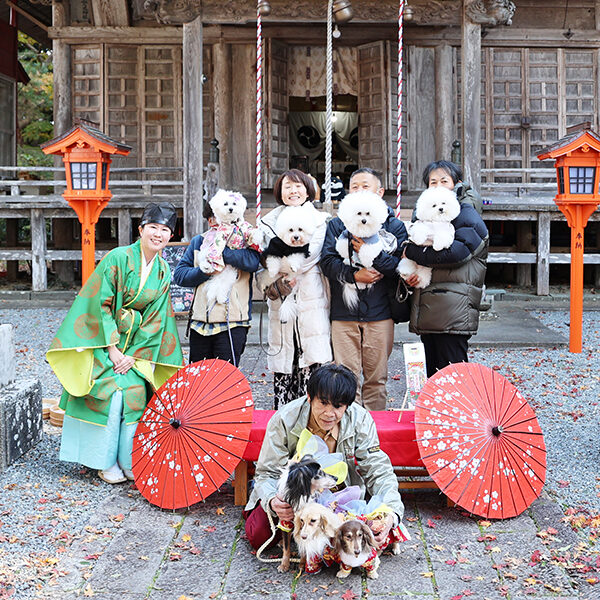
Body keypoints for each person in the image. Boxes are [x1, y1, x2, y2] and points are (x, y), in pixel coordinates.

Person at [47, 202, 184, 484]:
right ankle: (103, 461)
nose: (158, 234)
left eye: (165, 230)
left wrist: (133, 355)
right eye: (153, 228)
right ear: (141, 229)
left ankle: (130, 460)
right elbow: (100, 303)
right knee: (114, 393)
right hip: (101, 344)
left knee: (136, 391)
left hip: (134, 350)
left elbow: (157, 319)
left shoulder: (162, 272)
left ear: (170, 236)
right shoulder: (118, 258)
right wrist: (112, 348)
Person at [243, 363, 405, 551]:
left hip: (340, 495)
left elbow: (379, 471)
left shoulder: (360, 420)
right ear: (310, 397)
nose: (329, 413)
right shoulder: (284, 419)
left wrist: (392, 513)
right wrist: (272, 500)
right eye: (323, 403)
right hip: (294, 497)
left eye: (338, 406)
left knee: (372, 533)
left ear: (348, 405)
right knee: (259, 535)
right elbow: (266, 472)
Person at [319, 167, 408, 411]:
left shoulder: (395, 227)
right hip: (343, 313)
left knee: (376, 379)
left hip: (380, 312)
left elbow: (401, 266)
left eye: (365, 186)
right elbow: (327, 262)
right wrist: (354, 274)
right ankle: (348, 432)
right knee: (346, 379)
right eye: (354, 186)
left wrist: (373, 257)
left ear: (379, 192)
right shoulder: (337, 225)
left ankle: (375, 435)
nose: (359, 190)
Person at [405, 160, 488, 377]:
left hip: (454, 306)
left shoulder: (467, 213)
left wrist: (412, 253)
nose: (439, 186)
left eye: (445, 181)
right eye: (433, 182)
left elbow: (456, 254)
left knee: (454, 375)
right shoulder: (424, 214)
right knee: (432, 377)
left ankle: (458, 412)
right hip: (429, 305)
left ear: (457, 184)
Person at [257, 168, 332, 409]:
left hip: (311, 297)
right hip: (282, 299)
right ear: (280, 190)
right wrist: (276, 265)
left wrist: (279, 263)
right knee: (284, 362)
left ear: (308, 189)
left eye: (298, 185)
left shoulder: (321, 221)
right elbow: (265, 260)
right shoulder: (268, 222)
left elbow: (310, 257)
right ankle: (284, 430)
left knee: (312, 361)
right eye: (287, 186)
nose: (293, 191)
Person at [173, 199, 261, 366]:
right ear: (211, 220)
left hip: (233, 323)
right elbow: (180, 275)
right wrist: (204, 271)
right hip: (199, 324)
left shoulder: (245, 241)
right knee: (199, 379)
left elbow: (254, 263)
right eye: (218, 216)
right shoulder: (199, 242)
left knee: (225, 379)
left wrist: (222, 252)